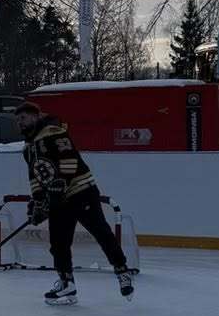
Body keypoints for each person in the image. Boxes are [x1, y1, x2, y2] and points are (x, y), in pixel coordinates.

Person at [16, 98, 133, 304]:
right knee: (58, 242)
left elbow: (69, 159)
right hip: (58, 199)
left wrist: (59, 185)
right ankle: (67, 283)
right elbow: (35, 177)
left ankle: (122, 271)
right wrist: (37, 202)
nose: (20, 123)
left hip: (81, 191)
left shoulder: (54, 132)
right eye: (18, 120)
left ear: (36, 116)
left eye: (24, 118)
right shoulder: (28, 148)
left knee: (101, 232)